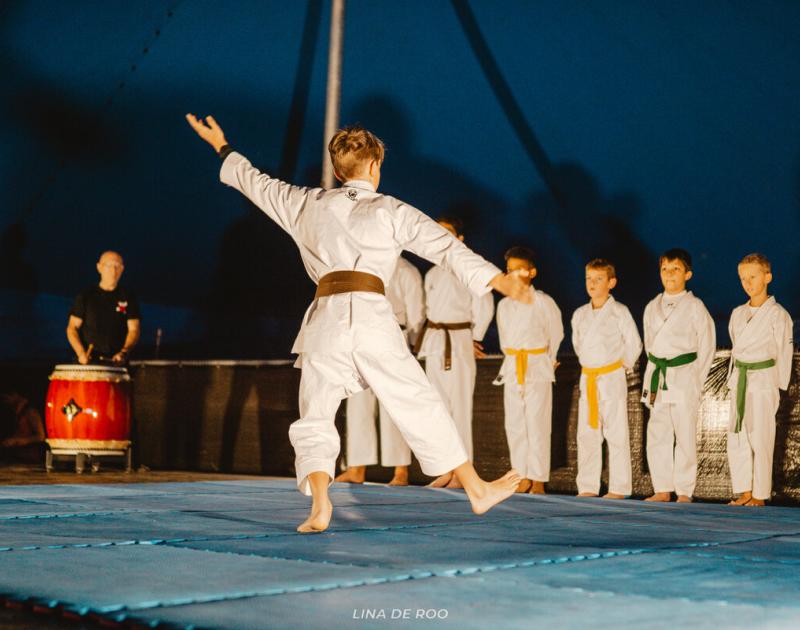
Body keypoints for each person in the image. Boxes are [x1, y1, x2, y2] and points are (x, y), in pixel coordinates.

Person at [186, 114, 529, 533]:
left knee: (316, 412)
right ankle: (476, 488)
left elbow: (254, 183)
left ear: (337, 171)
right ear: (374, 166)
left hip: (324, 321)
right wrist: (497, 280)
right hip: (371, 317)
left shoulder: (306, 202)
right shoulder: (389, 209)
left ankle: (320, 504)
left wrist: (222, 146)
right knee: (416, 398)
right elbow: (443, 247)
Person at [414, 216, 494, 489]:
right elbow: (427, 311)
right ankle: (445, 470)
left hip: (459, 341)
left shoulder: (468, 267)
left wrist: (475, 336)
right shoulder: (432, 272)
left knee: (459, 409)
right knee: (438, 411)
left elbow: (484, 303)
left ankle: (463, 473)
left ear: (459, 239)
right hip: (436, 342)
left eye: (447, 232)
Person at [336, 256, 425, 486]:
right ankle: (357, 468)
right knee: (358, 403)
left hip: (394, 336)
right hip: (360, 336)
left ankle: (400, 470)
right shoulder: (360, 266)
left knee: (393, 405)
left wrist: (412, 344)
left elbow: (416, 313)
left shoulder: (406, 270)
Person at [642, 248, 715, 503]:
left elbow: (707, 345)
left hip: (684, 376)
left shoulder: (695, 306)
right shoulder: (652, 307)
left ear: (688, 274)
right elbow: (650, 345)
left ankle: (684, 490)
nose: (669, 274)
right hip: (658, 373)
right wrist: (653, 371)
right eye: (665, 269)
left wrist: (696, 379)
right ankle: (662, 488)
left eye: (676, 269)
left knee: (684, 433)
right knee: (658, 431)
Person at [494, 246, 563, 494]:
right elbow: (504, 340)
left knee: (537, 423)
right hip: (513, 365)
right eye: (509, 270)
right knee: (514, 424)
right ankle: (521, 475)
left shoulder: (544, 302)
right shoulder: (504, 306)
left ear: (532, 272)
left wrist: (549, 359)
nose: (513, 275)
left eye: (519, 269)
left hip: (537, 365)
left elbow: (556, 333)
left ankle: (538, 478)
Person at [571, 259, 642, 499]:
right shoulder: (580, 314)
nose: (592, 283)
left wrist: (622, 366)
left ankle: (619, 488)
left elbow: (634, 343)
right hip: (589, 376)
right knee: (587, 433)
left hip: (612, 375)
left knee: (616, 432)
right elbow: (578, 346)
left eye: (598, 279)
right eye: (589, 278)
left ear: (611, 283)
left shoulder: (619, 311)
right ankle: (587, 486)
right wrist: (591, 365)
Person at [726, 253, 792, 507]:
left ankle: (760, 494)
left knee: (761, 436)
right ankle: (744, 491)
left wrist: (779, 384)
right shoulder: (737, 313)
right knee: (737, 435)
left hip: (764, 380)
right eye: (743, 278)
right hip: (740, 379)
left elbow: (784, 351)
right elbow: (735, 350)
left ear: (768, 277)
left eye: (752, 277)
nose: (747, 283)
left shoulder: (778, 314)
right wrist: (732, 379)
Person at [66, 251, 141, 364]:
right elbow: (72, 328)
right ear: (99, 267)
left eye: (117, 266)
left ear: (122, 269)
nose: (113, 271)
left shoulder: (128, 297)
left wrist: (124, 352)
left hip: (117, 363)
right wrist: (80, 353)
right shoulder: (85, 295)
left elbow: (134, 329)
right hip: (87, 363)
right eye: (109, 266)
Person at [0, 392, 45, 464]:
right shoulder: (15, 411)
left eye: (8, 395)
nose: (5, 398)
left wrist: (19, 440)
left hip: (30, 458)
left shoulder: (31, 412)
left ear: (16, 394)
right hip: (18, 455)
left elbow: (41, 436)